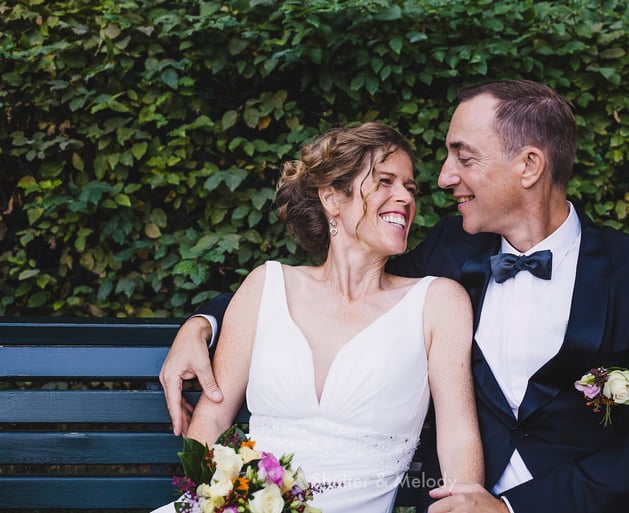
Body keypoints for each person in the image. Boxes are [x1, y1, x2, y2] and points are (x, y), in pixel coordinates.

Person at [161, 80, 629, 513]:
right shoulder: (450, 252)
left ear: (529, 166)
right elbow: (344, 293)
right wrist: (203, 322)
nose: (443, 179)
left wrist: (511, 509)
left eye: (462, 158)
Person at [153, 122, 483, 513]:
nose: (404, 198)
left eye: (410, 189)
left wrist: (467, 503)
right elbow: (210, 421)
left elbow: (458, 435)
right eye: (385, 182)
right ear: (331, 197)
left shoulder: (439, 302)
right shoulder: (266, 285)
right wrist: (224, 502)